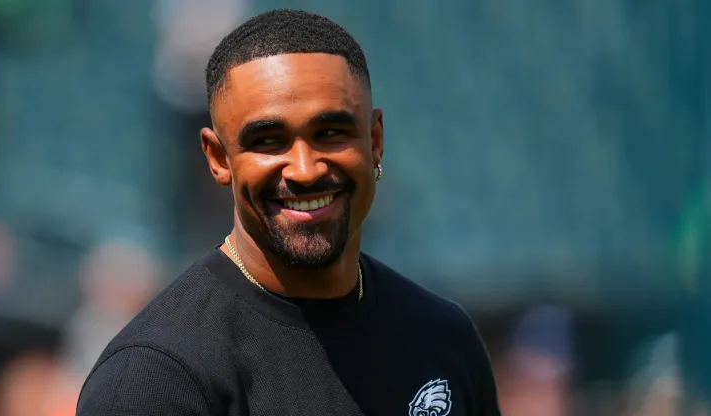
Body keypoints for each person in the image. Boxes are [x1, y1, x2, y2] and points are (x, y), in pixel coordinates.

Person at [76, 9, 501, 416]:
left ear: (374, 141)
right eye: (268, 141)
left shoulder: (442, 337)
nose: (304, 170)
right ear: (219, 158)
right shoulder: (155, 378)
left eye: (330, 133)